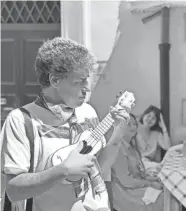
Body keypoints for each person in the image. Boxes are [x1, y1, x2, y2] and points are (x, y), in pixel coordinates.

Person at [1, 37, 130, 211]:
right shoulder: (21, 121)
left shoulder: (88, 112)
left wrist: (119, 132)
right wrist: (62, 171)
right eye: (79, 81)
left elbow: (98, 167)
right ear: (54, 80)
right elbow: (14, 190)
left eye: (87, 79)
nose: (87, 88)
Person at [111, 114, 164, 211]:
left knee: (167, 192)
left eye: (135, 124)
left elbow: (141, 175)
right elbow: (126, 181)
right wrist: (151, 184)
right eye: (129, 124)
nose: (133, 127)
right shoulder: (118, 149)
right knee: (163, 198)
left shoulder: (133, 149)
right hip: (126, 193)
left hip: (136, 186)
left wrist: (157, 179)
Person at [135, 105, 171, 176]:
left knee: (164, 170)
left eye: (153, 118)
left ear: (156, 122)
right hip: (136, 163)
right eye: (148, 116)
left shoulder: (156, 134)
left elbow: (167, 147)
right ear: (144, 115)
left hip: (149, 165)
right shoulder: (135, 127)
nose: (150, 119)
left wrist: (164, 128)